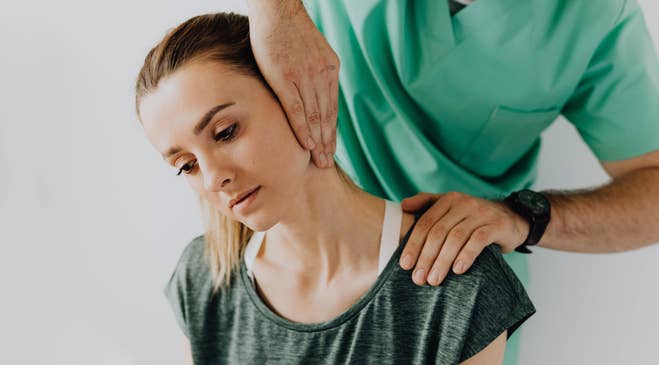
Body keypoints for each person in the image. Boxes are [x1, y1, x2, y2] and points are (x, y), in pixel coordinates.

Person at [245, 0, 659, 363]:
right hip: (292, 254)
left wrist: (521, 216)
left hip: (446, 283)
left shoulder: (595, 18)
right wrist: (275, 11)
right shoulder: (229, 272)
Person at [135, 12, 535, 364]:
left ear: (299, 95)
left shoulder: (457, 284)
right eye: (186, 165)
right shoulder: (204, 278)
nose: (212, 178)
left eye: (225, 132)